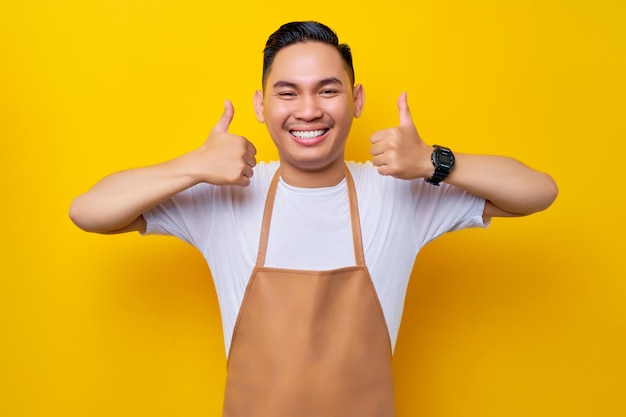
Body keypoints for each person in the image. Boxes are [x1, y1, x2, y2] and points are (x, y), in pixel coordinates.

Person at [70, 21, 558, 417]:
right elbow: (88, 211)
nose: (309, 110)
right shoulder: (223, 195)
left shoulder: (399, 193)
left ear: (357, 100)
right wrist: (192, 165)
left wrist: (434, 161)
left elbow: (539, 191)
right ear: (261, 106)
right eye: (288, 93)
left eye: (328, 90)